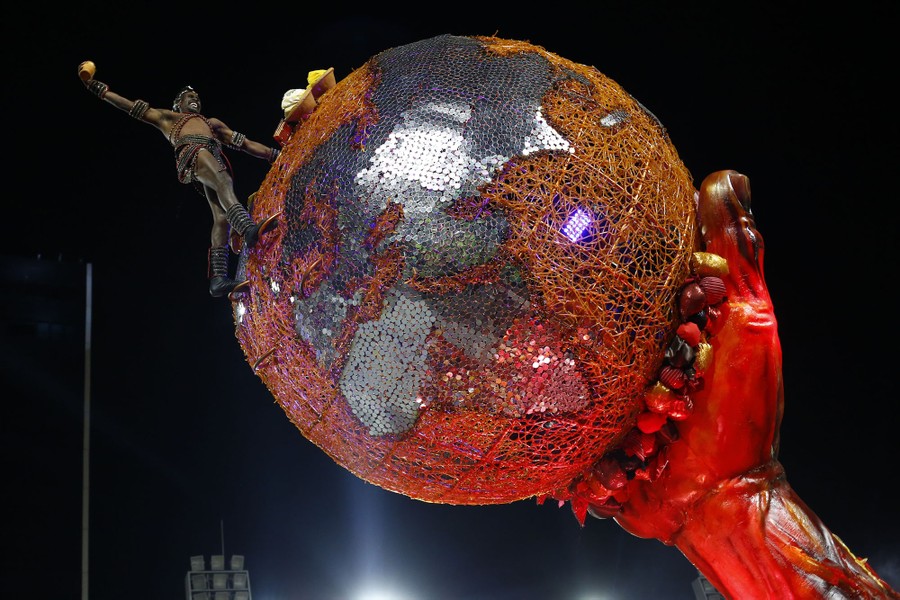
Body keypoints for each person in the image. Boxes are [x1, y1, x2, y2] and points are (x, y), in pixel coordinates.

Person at [79, 66, 280, 298]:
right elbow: (130, 106)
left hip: (209, 156)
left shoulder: (212, 124)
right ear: (178, 104)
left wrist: (273, 155)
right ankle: (247, 229)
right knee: (223, 181)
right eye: (188, 96)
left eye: (197, 96)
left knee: (222, 217)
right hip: (194, 153)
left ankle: (218, 279)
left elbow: (245, 143)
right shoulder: (168, 118)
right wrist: (98, 89)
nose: (194, 98)